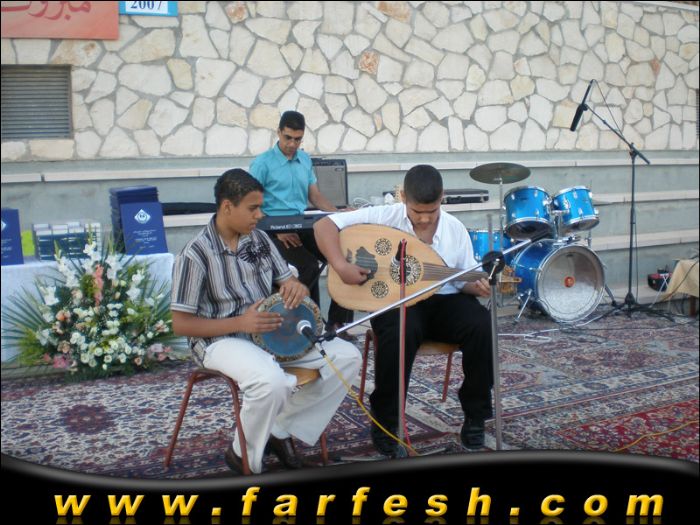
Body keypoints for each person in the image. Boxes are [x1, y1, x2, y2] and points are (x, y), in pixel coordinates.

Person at [170, 168, 361, 474]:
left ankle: (279, 432)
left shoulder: (259, 239)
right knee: (271, 382)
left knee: (347, 357)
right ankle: (243, 456)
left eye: (260, 207)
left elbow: (287, 281)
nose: (260, 215)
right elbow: (181, 324)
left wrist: (295, 288)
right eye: (253, 208)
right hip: (220, 340)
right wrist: (241, 323)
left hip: (270, 333)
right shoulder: (195, 255)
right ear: (227, 207)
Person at [314, 164, 493, 457]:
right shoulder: (384, 216)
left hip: (444, 302)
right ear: (403, 198)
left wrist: (480, 286)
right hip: (396, 301)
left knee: (482, 324)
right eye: (416, 211)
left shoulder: (454, 229)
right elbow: (324, 226)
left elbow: (462, 281)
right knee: (401, 330)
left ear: (442, 198)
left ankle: (475, 416)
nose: (424, 219)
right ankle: (386, 422)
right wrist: (341, 265)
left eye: (431, 211)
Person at [249, 110, 355, 339]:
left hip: (301, 222)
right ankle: (306, 322)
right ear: (278, 132)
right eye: (288, 138)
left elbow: (315, 196)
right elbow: (251, 203)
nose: (292, 144)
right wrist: (277, 231)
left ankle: (337, 324)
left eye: (297, 139)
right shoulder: (262, 163)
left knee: (343, 258)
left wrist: (339, 215)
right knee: (308, 266)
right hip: (270, 228)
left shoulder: (304, 160)